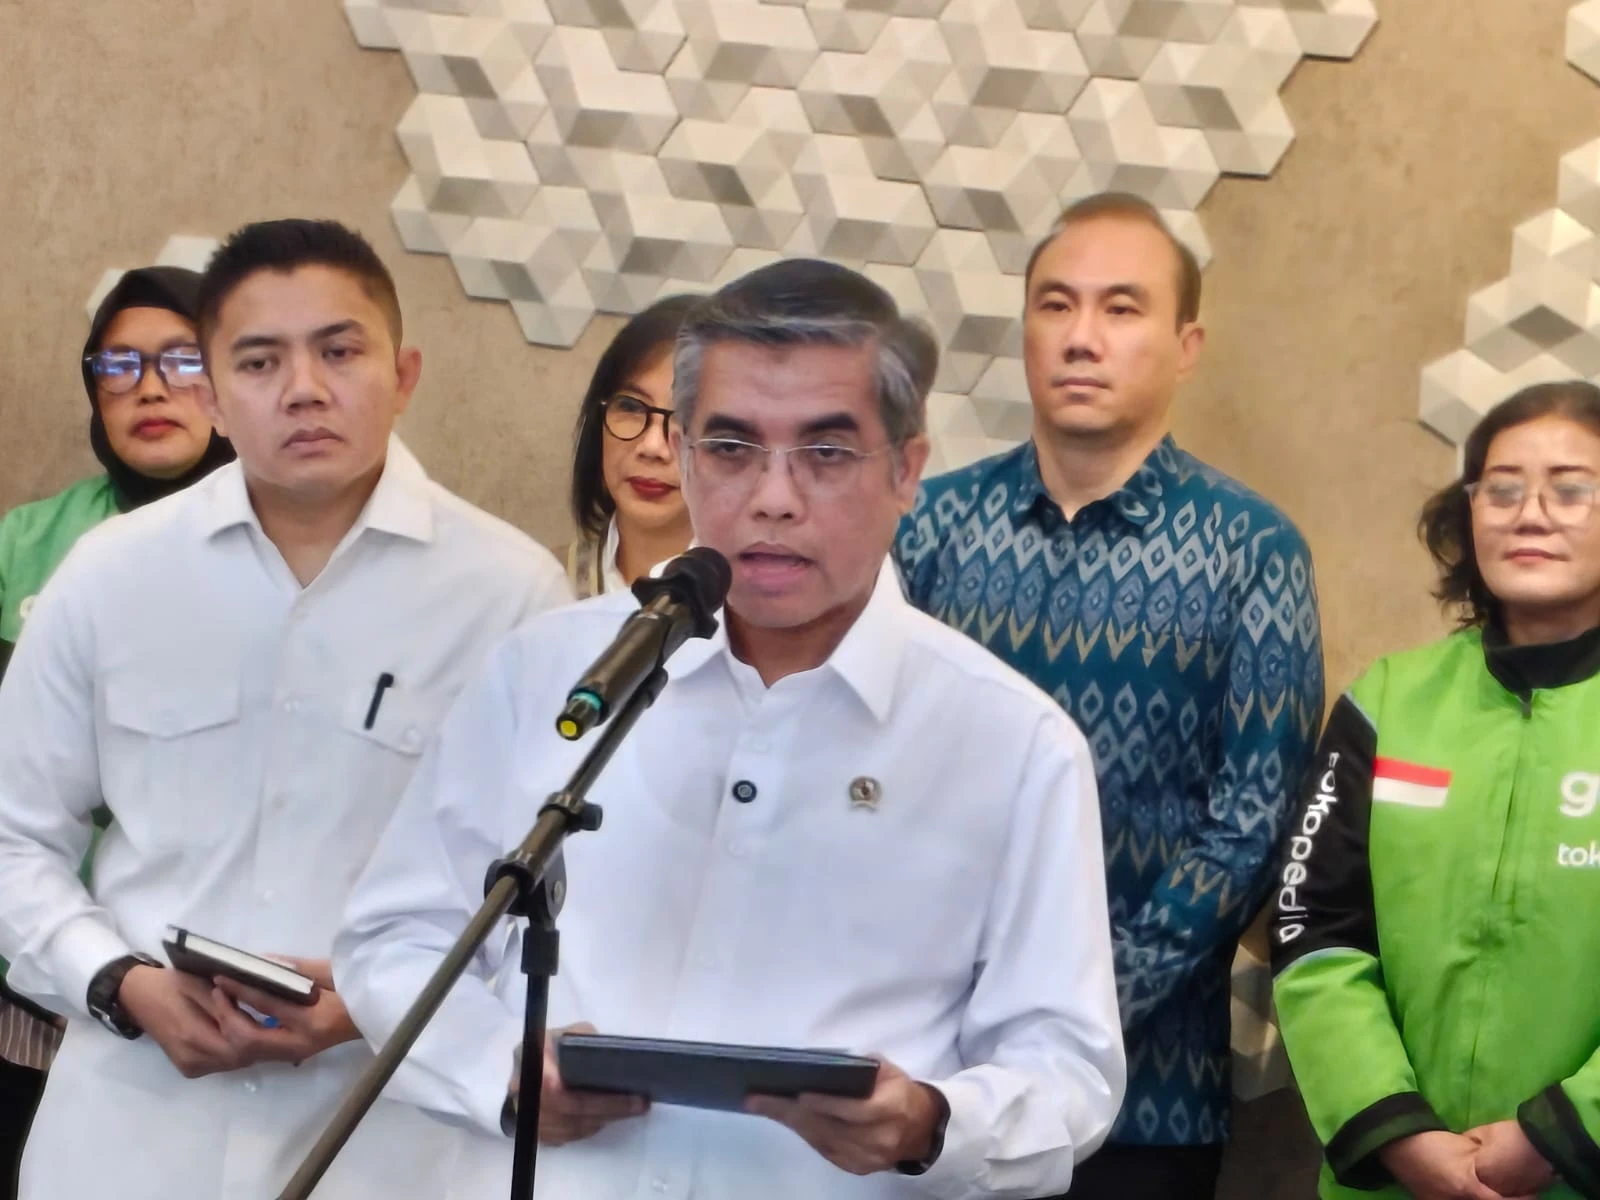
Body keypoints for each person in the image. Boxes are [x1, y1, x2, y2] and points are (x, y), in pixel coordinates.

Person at [334, 258, 1126, 1199]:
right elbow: (395, 938)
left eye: (825, 454)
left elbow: (1068, 1068)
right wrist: (500, 1066)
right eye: (732, 448)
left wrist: (929, 1122)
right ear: (684, 456)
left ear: (906, 469)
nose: (773, 497)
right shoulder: (553, 673)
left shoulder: (1013, 744)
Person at [0, 218, 570, 1200]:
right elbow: (12, 836)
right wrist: (118, 982)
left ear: (404, 375)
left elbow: (555, 893)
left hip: (387, 1141)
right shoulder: (111, 577)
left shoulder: (512, 596)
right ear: (214, 396)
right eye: (259, 361)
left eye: (339, 352)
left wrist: (374, 1005)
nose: (303, 388)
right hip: (126, 1136)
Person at [895, 192, 1325, 1200]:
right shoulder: (924, 527)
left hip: (1145, 1093)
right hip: (924, 1079)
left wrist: (1075, 1007)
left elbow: (1252, 822)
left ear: (1186, 346)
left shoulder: (1252, 550)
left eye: (1121, 309)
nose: (1081, 337)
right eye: (1056, 304)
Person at [1271, 380, 1600, 1200]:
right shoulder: (1388, 702)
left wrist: (1559, 1135)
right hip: (1395, 1177)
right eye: (1502, 488)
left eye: (1570, 489)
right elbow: (1315, 928)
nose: (1531, 514)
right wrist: (1395, 1131)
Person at [0, 264, 234, 1192]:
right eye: (120, 364)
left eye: (182, 360)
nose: (149, 387)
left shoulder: (277, 545)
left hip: (202, 970)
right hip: (27, 959)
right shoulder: (27, 542)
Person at [565, 294, 699, 597]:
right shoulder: (544, 588)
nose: (652, 447)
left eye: (687, 415)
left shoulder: (761, 609)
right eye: (631, 406)